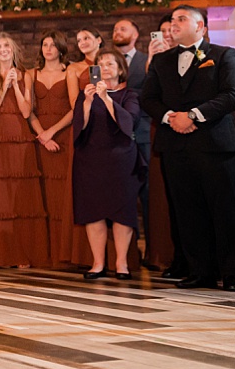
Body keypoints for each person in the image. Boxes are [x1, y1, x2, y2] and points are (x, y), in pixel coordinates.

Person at [139, 5, 235, 291]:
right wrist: (170, 117)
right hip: (176, 146)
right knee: (188, 212)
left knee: (223, 210)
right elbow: (147, 99)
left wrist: (194, 115)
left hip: (214, 145)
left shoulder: (223, 55)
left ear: (201, 27)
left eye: (181, 19)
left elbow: (233, 94)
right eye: (172, 19)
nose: (174, 24)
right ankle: (201, 271)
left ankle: (231, 273)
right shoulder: (162, 61)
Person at [0, 33, 48, 268]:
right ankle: (0, 253)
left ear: (13, 48)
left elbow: (27, 112)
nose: (3, 49)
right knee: (0, 196)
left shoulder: (26, 75)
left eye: (6, 45)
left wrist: (15, 85)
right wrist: (4, 86)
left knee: (20, 195)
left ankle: (21, 253)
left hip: (19, 137)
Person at [72, 49, 141, 280]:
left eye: (110, 64)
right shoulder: (86, 94)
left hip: (121, 159)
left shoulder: (129, 94)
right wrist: (89, 101)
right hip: (90, 159)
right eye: (100, 64)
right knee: (93, 211)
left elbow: (129, 122)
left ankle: (121, 263)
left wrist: (106, 98)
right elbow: (78, 127)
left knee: (122, 211)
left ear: (120, 70)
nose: (105, 68)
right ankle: (98, 263)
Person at [30, 31, 79, 268]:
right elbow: (28, 110)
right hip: (40, 139)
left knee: (62, 195)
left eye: (52, 45)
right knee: (42, 195)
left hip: (62, 137)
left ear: (61, 48)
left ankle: (64, 253)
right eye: (44, 44)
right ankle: (43, 251)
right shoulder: (32, 74)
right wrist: (42, 135)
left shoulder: (69, 72)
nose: (48, 48)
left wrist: (52, 132)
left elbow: (74, 108)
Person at [145, 18, 184, 276]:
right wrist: (152, 56)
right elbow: (149, 95)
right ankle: (165, 254)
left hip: (193, 126)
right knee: (162, 195)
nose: (169, 34)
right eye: (166, 30)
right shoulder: (157, 60)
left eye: (174, 30)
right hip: (161, 126)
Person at [111, 18, 153, 244]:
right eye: (115, 29)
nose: (118, 31)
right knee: (121, 194)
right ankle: (127, 252)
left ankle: (153, 247)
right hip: (116, 136)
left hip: (144, 134)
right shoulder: (107, 63)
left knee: (147, 193)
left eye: (123, 28)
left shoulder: (147, 61)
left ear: (135, 35)